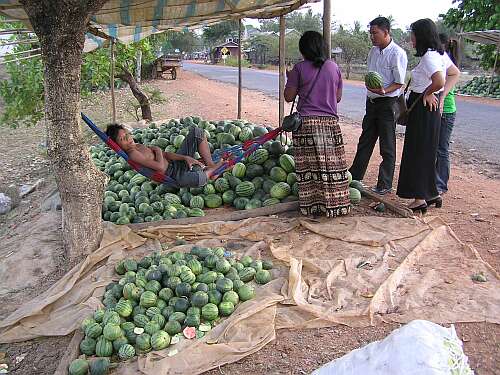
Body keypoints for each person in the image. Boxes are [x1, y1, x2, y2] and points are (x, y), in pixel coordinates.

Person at [284, 30, 350, 218]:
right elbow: (337, 98)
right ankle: (337, 206)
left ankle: (314, 208)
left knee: (309, 170)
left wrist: (291, 79)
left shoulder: (299, 68)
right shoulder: (333, 67)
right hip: (330, 124)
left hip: (307, 125)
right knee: (332, 167)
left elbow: (288, 97)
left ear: (303, 49)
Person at [396, 19, 460, 212]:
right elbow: (454, 73)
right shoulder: (438, 53)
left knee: (418, 152)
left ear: (421, 35)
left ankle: (419, 198)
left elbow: (440, 80)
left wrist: (430, 93)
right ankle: (431, 194)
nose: (411, 38)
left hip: (423, 108)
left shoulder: (430, 56)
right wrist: (441, 97)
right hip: (428, 108)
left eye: (413, 34)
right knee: (426, 151)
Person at [349, 16, 408, 195]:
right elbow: (370, 75)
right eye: (370, 34)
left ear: (386, 32)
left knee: (387, 145)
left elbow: (399, 83)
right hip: (372, 102)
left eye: (375, 33)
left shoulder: (397, 53)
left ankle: (384, 184)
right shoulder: (373, 52)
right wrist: (372, 88)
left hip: (388, 103)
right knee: (365, 141)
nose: (372, 37)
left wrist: (384, 90)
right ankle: (355, 178)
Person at [105, 124, 223, 188]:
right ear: (117, 145)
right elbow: (160, 167)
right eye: (122, 139)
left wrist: (185, 157)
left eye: (126, 134)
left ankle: (211, 166)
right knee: (196, 178)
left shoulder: (137, 146)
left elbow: (166, 154)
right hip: (174, 174)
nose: (127, 138)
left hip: (177, 163)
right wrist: (157, 150)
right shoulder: (133, 154)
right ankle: (215, 168)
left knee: (197, 132)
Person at [436, 33, 460, 195]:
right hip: (443, 108)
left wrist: (441, 98)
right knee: (438, 148)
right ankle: (436, 182)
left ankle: (440, 185)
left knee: (442, 149)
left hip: (447, 109)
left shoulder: (445, 60)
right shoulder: (446, 58)